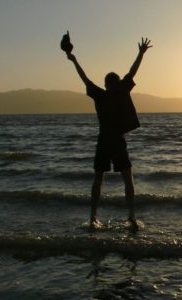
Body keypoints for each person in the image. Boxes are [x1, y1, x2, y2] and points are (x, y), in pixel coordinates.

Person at [65, 36, 152, 231]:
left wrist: (74, 59)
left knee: (98, 179)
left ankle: (93, 218)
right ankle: (131, 218)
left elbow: (84, 77)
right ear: (118, 82)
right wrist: (141, 53)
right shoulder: (121, 91)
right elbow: (132, 71)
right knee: (128, 180)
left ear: (105, 84)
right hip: (118, 141)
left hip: (103, 141)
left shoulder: (100, 95)